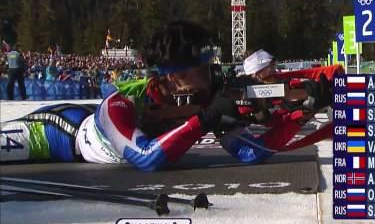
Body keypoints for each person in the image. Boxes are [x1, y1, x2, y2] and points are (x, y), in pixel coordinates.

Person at [0, 20, 239, 171]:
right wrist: (206, 118)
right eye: (204, 67)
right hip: (53, 133)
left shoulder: (198, 96)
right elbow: (147, 158)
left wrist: (272, 116)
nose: (213, 74)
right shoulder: (119, 104)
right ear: (175, 76)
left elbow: (252, 152)